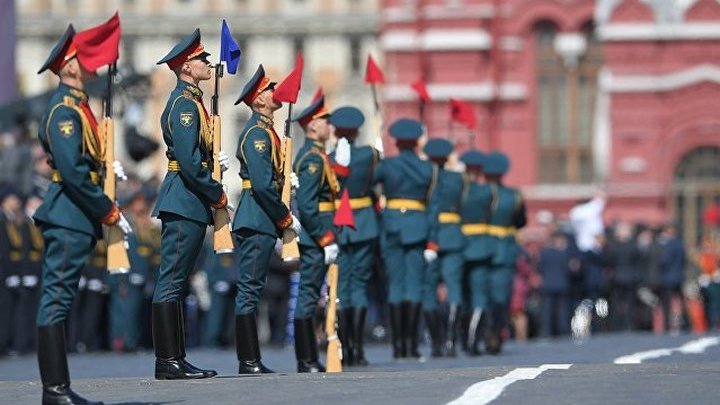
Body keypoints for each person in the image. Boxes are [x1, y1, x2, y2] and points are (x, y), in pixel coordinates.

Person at [33, 24, 131, 404]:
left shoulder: (77, 107)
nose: (92, 65)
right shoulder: (63, 111)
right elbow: (73, 172)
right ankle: (54, 389)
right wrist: (106, 209)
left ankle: (57, 388)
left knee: (60, 297)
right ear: (69, 65)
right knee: (55, 298)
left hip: (77, 213)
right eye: (83, 58)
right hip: (69, 213)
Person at [152, 28, 230, 380]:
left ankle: (176, 357)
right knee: (170, 281)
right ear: (186, 66)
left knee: (179, 281)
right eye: (201, 59)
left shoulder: (194, 101)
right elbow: (186, 159)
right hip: (184, 200)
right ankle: (167, 361)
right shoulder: (184, 106)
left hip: (190, 201)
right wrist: (215, 191)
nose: (207, 63)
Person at [232, 64, 301, 374]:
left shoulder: (267, 132)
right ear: (258, 100)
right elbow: (261, 184)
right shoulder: (258, 134)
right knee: (249, 289)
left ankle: (251, 358)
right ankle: (248, 360)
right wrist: (284, 216)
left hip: (261, 216)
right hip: (257, 216)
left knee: (253, 287)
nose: (276, 93)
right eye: (270, 90)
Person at [291, 94, 351, 372]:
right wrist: (325, 238)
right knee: (308, 294)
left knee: (315, 292)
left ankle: (309, 357)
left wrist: (341, 169)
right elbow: (308, 204)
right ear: (313, 126)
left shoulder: (319, 156)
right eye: (326, 121)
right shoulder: (312, 159)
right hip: (317, 237)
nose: (330, 126)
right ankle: (306, 358)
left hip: (322, 233)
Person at [374, 118, 433, 359]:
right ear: (417, 143)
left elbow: (368, 187)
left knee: (395, 286)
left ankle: (398, 345)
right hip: (418, 226)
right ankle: (412, 344)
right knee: (414, 286)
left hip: (392, 226)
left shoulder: (387, 165)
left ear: (396, 142)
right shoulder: (427, 168)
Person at [329, 106, 380, 366]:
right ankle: (358, 349)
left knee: (342, 287)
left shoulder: (328, 157)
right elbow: (378, 183)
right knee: (359, 285)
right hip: (364, 223)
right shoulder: (370, 155)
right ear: (358, 131)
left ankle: (346, 347)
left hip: (337, 225)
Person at [422, 139, 466, 357]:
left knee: (428, 290)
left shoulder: (426, 176)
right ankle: (451, 341)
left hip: (430, 236)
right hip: (453, 235)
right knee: (454, 289)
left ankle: (437, 343)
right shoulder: (458, 179)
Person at [482, 151, 527, 354]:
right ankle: (496, 331)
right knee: (501, 296)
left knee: (480, 294)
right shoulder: (514, 196)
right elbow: (521, 222)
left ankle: (482, 332)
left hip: (479, 248)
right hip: (505, 250)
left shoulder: (476, 193)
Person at [458, 150, 492, 355]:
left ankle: (462, 338)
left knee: (462, 294)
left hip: (460, 244)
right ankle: (473, 340)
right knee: (479, 295)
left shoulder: (458, 191)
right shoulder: (487, 192)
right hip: (481, 245)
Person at [537, 231, 572, 337]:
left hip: (548, 284)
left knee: (547, 309)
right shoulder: (564, 254)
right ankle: (563, 330)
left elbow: (539, 268)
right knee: (562, 309)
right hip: (562, 284)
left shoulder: (544, 253)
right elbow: (568, 269)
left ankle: (547, 330)